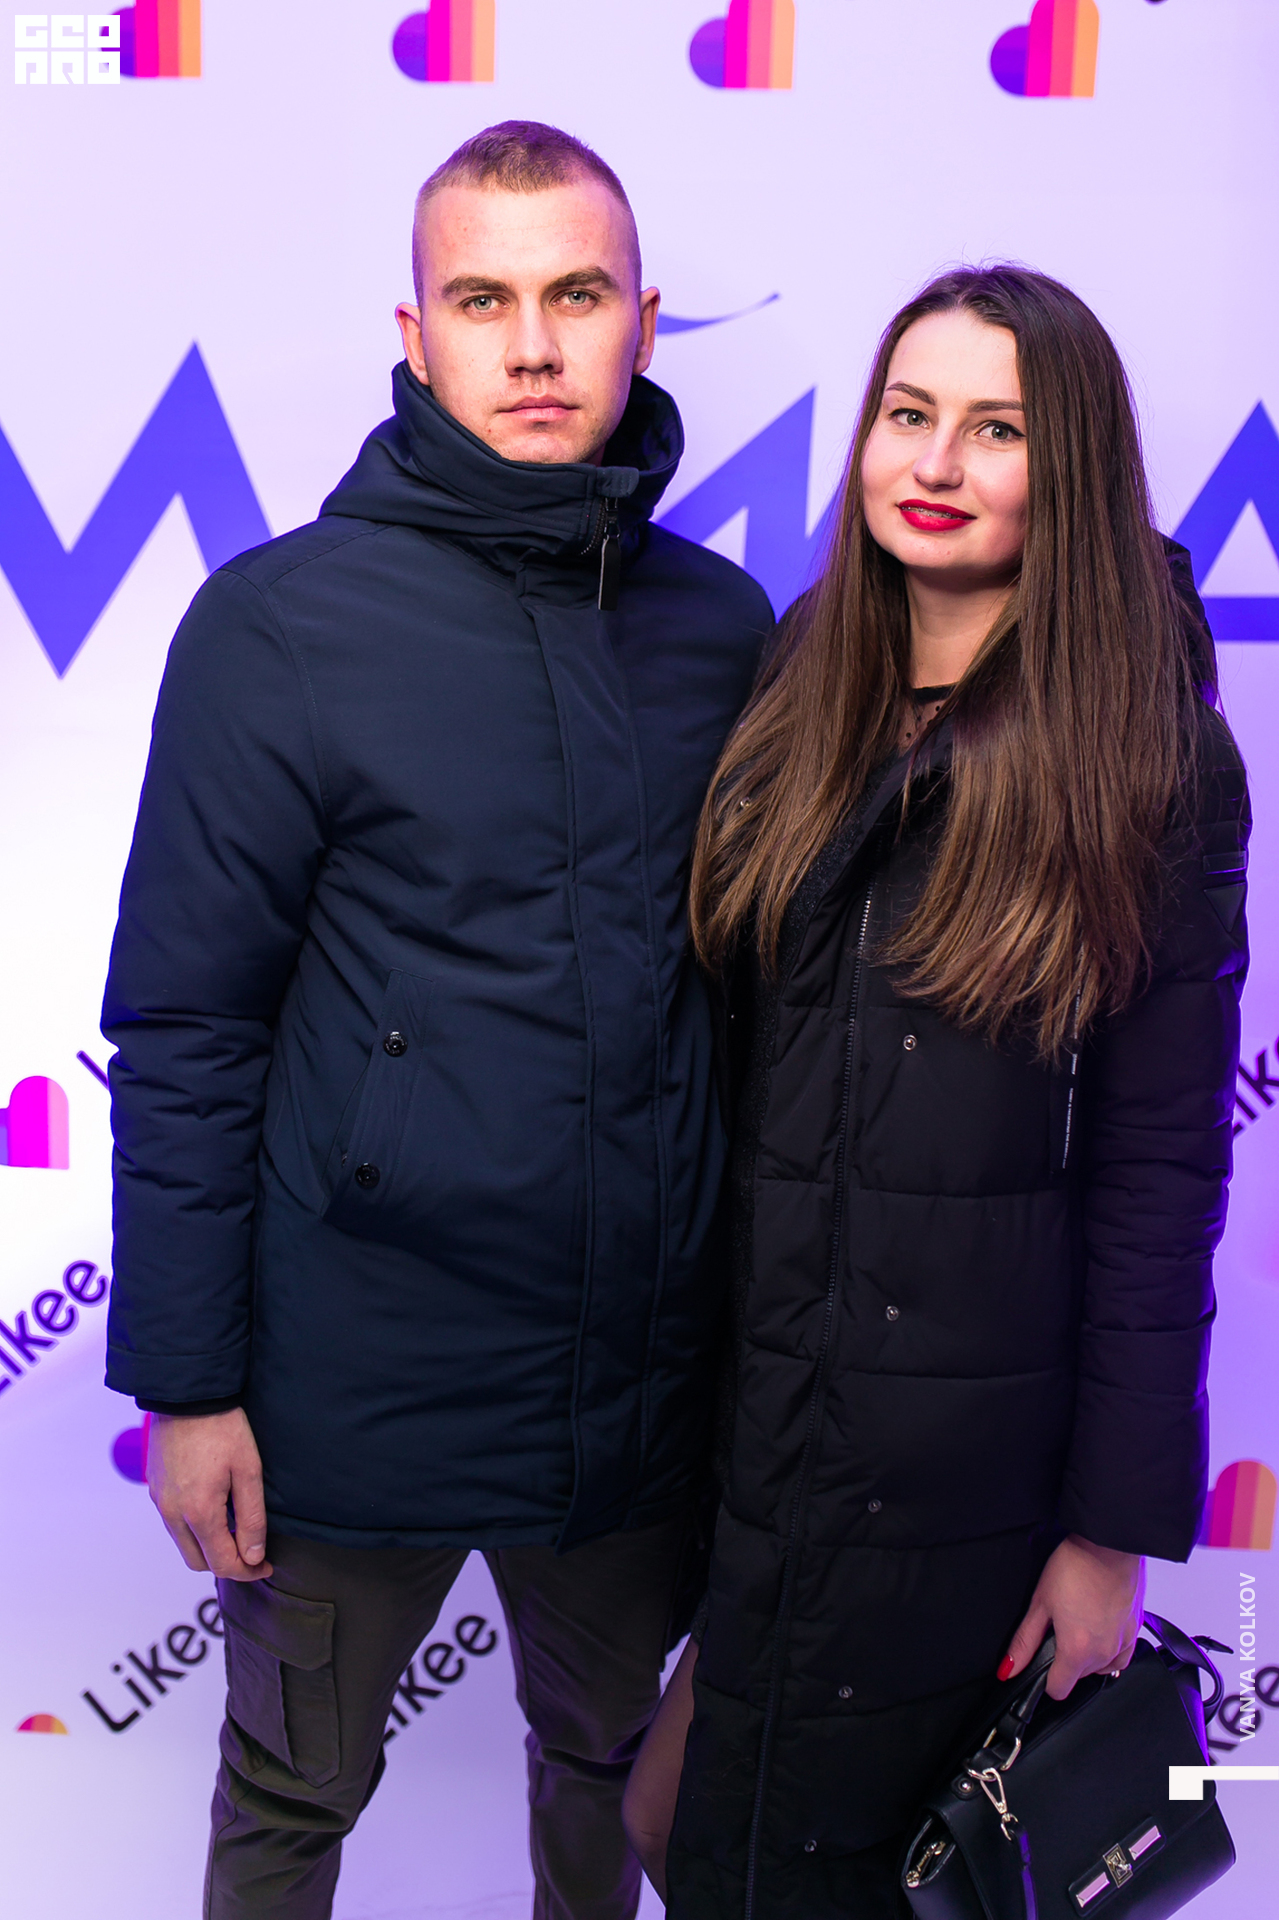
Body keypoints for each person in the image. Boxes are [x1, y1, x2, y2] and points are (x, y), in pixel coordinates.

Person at [100, 121, 772, 1920]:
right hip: (350, 1391)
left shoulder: (726, 631)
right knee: (290, 1795)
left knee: (609, 1777)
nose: (534, 347)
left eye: (576, 296)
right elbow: (186, 1027)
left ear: (644, 321)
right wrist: (189, 1386)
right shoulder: (278, 626)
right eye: (484, 301)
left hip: (634, 1397)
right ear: (415, 334)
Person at [621, 265, 1249, 1918]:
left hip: (967, 1458)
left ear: (1074, 467)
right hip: (768, 1422)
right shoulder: (801, 683)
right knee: (689, 1826)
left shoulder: (1150, 755)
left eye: (998, 429)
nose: (938, 462)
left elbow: (1162, 1167)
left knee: (855, 1878)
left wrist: (1110, 1533)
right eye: (910, 413)